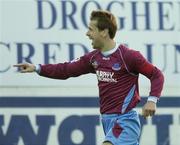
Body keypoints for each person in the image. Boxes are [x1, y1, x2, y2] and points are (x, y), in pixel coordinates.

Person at [14, 10, 164, 145]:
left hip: (125, 121)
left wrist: (152, 100)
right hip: (107, 121)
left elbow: (156, 74)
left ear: (104, 32)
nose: (87, 33)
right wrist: (37, 68)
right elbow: (66, 70)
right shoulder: (93, 59)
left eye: (91, 29)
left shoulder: (129, 56)